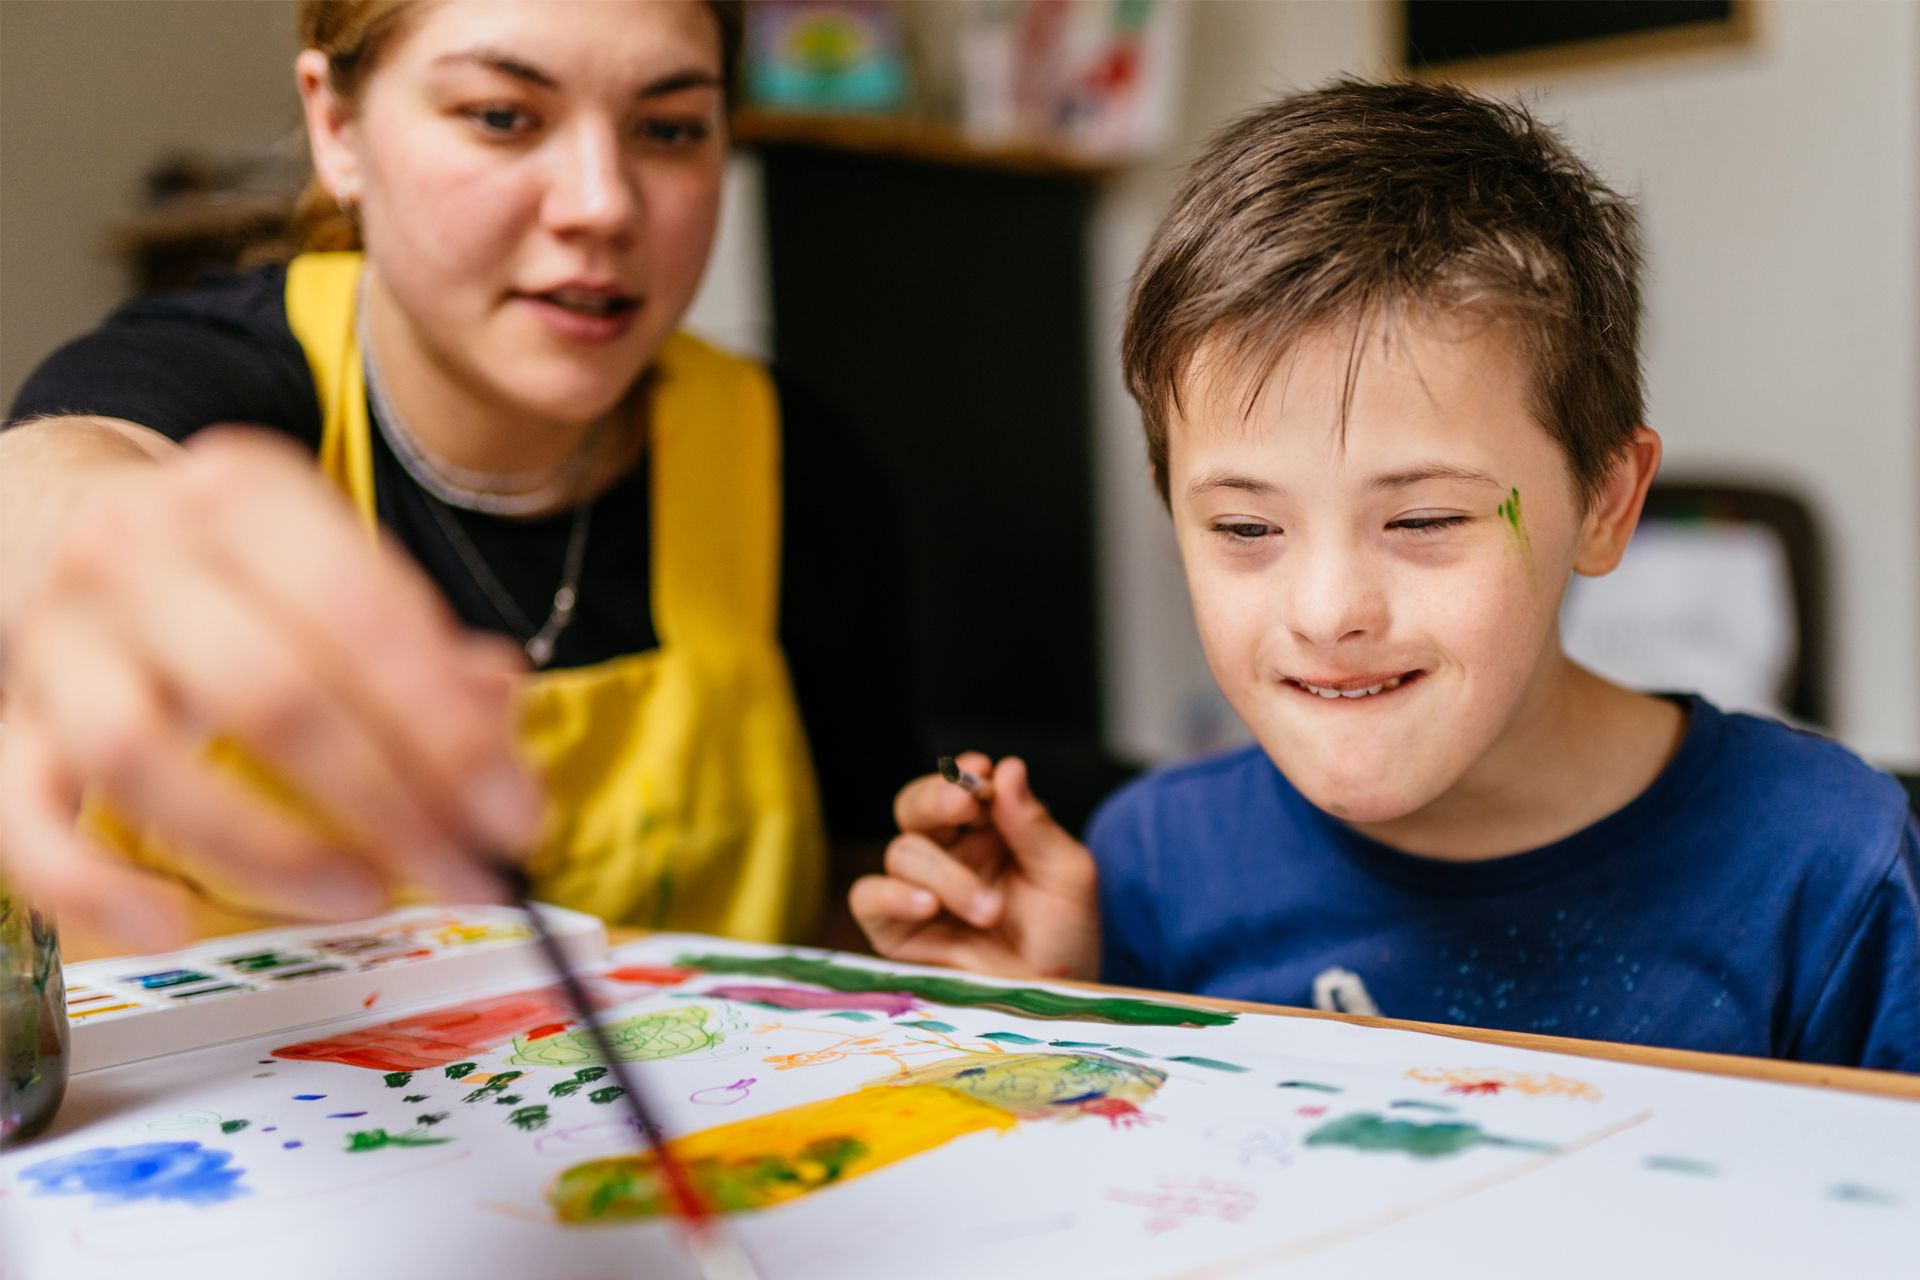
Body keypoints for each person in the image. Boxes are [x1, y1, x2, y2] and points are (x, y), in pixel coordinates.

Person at [850, 80, 1920, 1071]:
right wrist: (1053, 1016)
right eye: (1242, 525)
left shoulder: (1826, 864)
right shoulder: (1153, 860)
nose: (1327, 612)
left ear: (1603, 500)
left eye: (1421, 517)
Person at [0, 0, 910, 955]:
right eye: (503, 117)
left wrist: (940, 939)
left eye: (669, 129)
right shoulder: (214, 376)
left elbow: (839, 899)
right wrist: (90, 531)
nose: (602, 202)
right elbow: (64, 468)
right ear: (337, 129)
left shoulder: (793, 461)